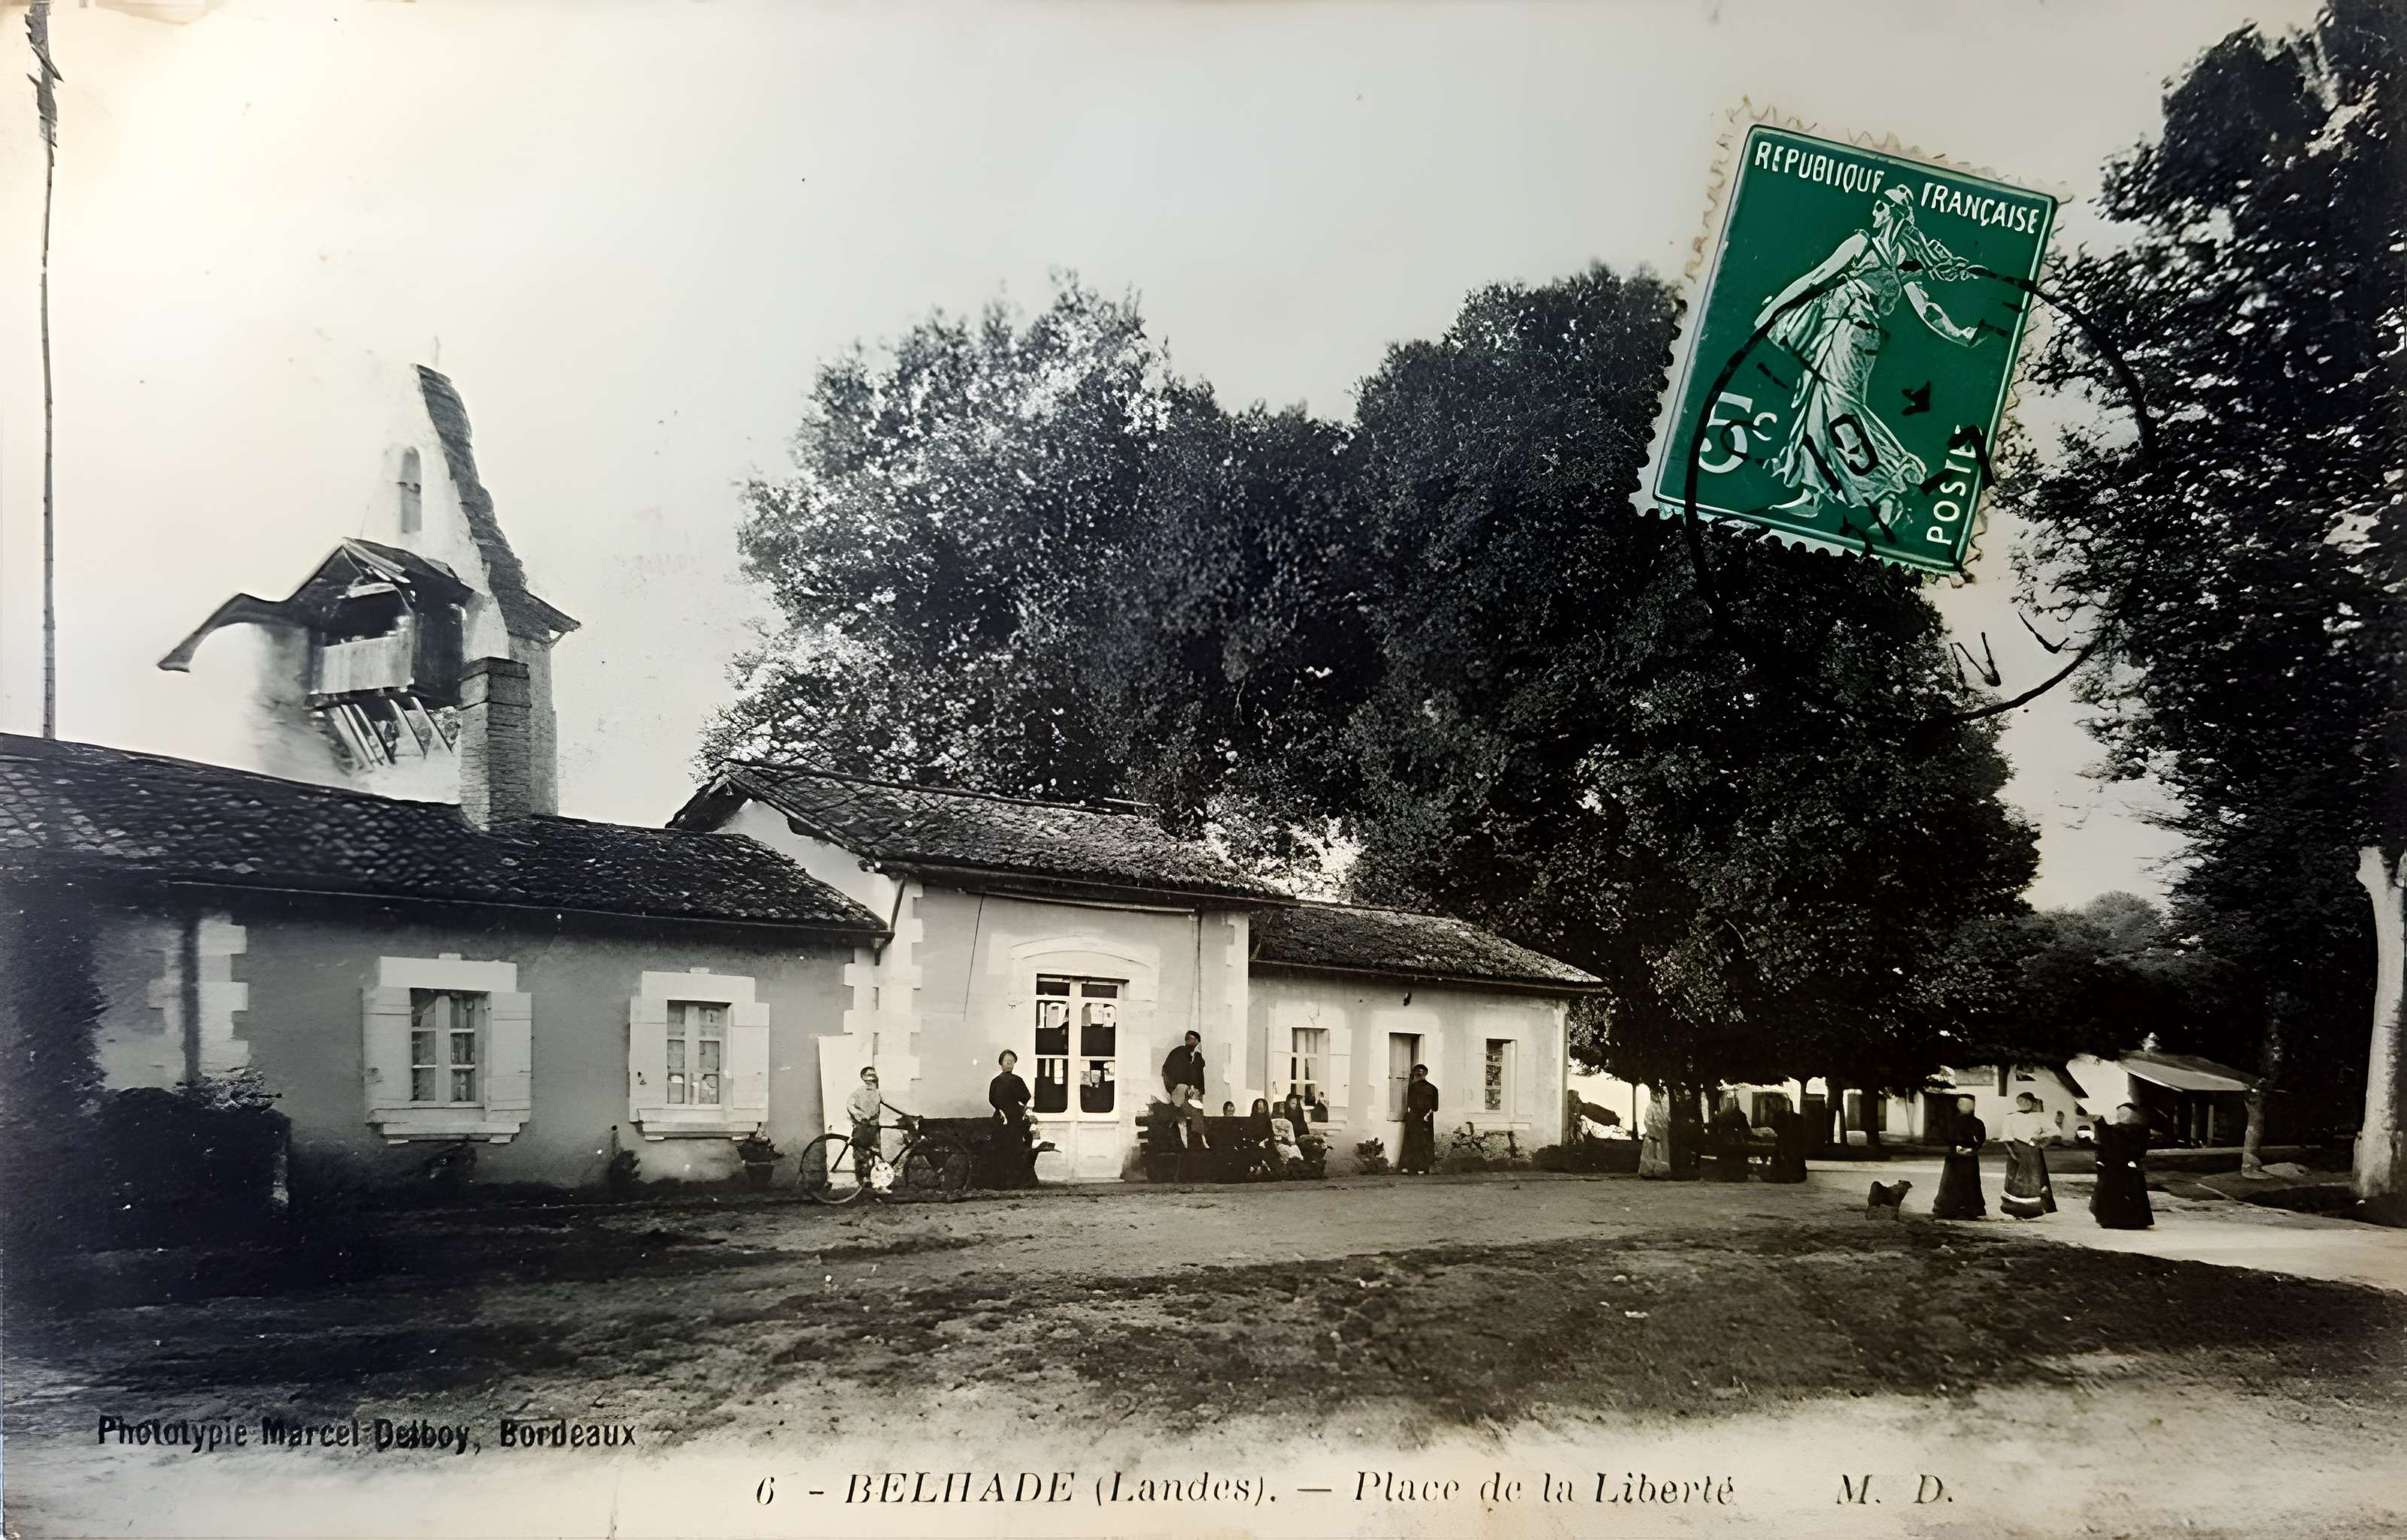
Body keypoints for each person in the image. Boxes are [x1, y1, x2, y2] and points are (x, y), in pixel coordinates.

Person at [1753, 185, 1983, 527]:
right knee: (1817, 404)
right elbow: (1927, 310)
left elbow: (1817, 278)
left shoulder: (1866, 245)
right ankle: (1814, 493)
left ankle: (1886, 492)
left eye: (1880, 206)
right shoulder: (1900, 258)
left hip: (1848, 332)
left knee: (1840, 407)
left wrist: (1772, 310)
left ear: (1892, 211)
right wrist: (1961, 335)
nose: (1873, 210)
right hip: (1847, 333)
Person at [2091, 1102, 2154, 1230]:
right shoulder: (2123, 1129)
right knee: (2115, 1192)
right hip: (2116, 1166)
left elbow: (2115, 1142)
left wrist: (2101, 1124)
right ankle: (2115, 1220)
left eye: (2124, 1113)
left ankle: (2128, 1220)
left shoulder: (2135, 1130)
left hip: (2125, 1166)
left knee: (2126, 1192)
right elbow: (2108, 1143)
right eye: (2120, 1113)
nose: (2121, 1116)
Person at [1999, 1090, 2058, 1220]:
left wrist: (2038, 1138)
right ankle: (2015, 1210)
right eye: (2021, 1101)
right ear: (2017, 1102)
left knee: (2033, 1180)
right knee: (2015, 1180)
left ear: (2032, 1103)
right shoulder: (2011, 1117)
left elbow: (2054, 1130)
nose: (2024, 1104)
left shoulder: (2039, 1117)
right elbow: (2006, 1136)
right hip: (2016, 1151)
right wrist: (2012, 1153)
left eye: (2027, 1101)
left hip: (2032, 1153)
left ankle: (2032, 1210)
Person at [1931, 1093, 1987, 1219]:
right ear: (1958, 1105)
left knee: (1970, 1183)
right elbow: (1945, 1137)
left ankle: (1970, 1210)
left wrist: (1972, 1149)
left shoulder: (1977, 1123)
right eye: (1962, 1104)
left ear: (1972, 1107)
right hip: (1954, 1158)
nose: (1965, 1107)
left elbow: (1981, 1139)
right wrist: (1955, 1147)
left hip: (1970, 1158)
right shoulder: (1951, 1121)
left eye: (1968, 1105)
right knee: (1951, 1182)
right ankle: (1948, 1208)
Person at [845, 1066, 888, 1181]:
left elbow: (887, 1103)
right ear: (863, 1077)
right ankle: (861, 1183)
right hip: (862, 1127)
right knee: (860, 1155)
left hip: (874, 1128)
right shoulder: (859, 1092)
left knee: (875, 1154)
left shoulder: (877, 1092)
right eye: (869, 1075)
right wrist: (861, 1115)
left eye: (873, 1076)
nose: (872, 1079)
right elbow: (850, 1105)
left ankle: (874, 1181)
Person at [1400, 1064, 1439, 1175]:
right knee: (1412, 1141)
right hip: (1415, 1117)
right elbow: (1410, 1103)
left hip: (1424, 1118)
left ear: (1426, 1074)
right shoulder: (1412, 1087)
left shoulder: (1433, 1089)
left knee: (1422, 1142)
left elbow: (1435, 1107)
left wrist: (1425, 1116)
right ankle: (1410, 1167)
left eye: (1421, 1073)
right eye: (1418, 1073)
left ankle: (1421, 1167)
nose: (1419, 1075)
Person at [1710, 1092, 1753, 1182]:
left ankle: (1728, 1176)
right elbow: (1746, 1130)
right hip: (1734, 1140)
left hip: (1726, 1140)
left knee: (1728, 1159)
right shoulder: (1739, 1115)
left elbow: (1714, 1126)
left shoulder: (1722, 1115)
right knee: (1735, 1158)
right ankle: (1737, 1176)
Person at [1765, 1104, 1810, 1184]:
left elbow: (1774, 1130)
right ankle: (1792, 1176)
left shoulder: (1778, 1118)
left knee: (1784, 1156)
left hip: (1786, 1143)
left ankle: (1783, 1175)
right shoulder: (1799, 1119)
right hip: (1793, 1144)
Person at [1161, 1031, 1207, 1102]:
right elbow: (1168, 1073)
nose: (1192, 1042)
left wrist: (1199, 1091)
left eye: (1195, 1040)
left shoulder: (1198, 1057)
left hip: (1194, 1093)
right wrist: (1186, 1088)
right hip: (1178, 1089)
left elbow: (1201, 1076)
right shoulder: (1178, 1052)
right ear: (1186, 1041)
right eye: (1190, 1039)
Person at [1267, 1106, 1306, 1178]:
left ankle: (1293, 1168)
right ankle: (1293, 1169)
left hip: (1280, 1143)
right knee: (1292, 1150)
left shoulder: (1276, 1122)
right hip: (1278, 1144)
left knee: (1292, 1150)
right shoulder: (1287, 1123)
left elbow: (1291, 1139)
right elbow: (1292, 1139)